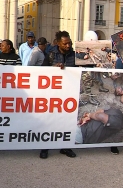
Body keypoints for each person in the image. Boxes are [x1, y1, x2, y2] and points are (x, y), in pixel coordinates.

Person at [40, 31, 76, 159]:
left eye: (69, 43)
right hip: (53, 93)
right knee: (49, 120)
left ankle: (65, 147)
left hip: (69, 93)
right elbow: (42, 71)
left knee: (67, 121)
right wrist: (54, 68)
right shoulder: (50, 54)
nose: (68, 46)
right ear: (58, 43)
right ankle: (45, 147)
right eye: (65, 43)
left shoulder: (74, 54)